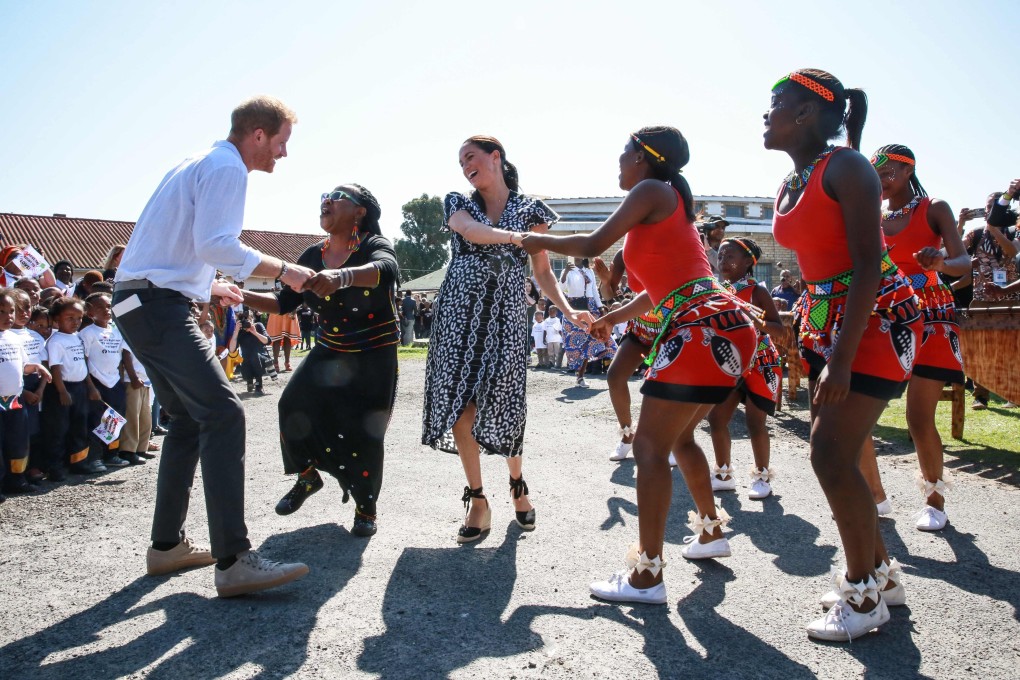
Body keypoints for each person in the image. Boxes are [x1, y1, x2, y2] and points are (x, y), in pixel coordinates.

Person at [521, 125, 758, 605]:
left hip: (698, 329)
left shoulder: (652, 190)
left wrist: (531, 240)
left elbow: (590, 245)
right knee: (680, 439)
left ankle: (647, 576)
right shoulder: (670, 205)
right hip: (719, 324)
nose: (619, 161)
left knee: (650, 450)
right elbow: (659, 290)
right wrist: (613, 316)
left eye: (624, 151)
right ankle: (711, 533)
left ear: (644, 158)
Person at [112, 95, 311, 597]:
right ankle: (234, 559)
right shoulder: (229, 168)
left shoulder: (197, 160)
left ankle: (167, 547)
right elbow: (216, 244)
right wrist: (285, 269)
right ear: (259, 135)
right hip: (158, 306)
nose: (283, 154)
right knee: (224, 413)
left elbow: (179, 244)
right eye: (282, 142)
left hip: (140, 301)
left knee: (185, 420)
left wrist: (208, 287)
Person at [765, 69, 922, 641]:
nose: (767, 113)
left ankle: (861, 600)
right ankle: (881, 577)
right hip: (829, 323)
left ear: (807, 113)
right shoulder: (793, 181)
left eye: (777, 103)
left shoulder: (847, 167)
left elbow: (866, 266)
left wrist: (844, 357)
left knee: (829, 456)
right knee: (842, 455)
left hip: (873, 319)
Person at [422, 135, 589, 543]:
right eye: (461, 162)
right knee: (461, 402)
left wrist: (568, 312)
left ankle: (516, 481)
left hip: (506, 317)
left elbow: (544, 273)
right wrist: (516, 238)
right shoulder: (457, 202)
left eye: (471, 157)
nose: (465, 167)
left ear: (495, 157)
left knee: (505, 400)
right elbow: (470, 231)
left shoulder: (531, 209)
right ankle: (478, 499)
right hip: (458, 312)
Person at [243, 183, 399, 538]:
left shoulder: (374, 245)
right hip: (331, 348)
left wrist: (342, 277)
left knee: (364, 431)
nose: (326, 201)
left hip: (375, 352)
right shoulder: (312, 255)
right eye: (323, 198)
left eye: (337, 197)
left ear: (360, 211)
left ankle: (365, 510)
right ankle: (307, 476)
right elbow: (284, 303)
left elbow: (384, 270)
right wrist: (241, 295)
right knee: (292, 404)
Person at [855, 145, 970, 531]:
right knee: (858, 415)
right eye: (876, 176)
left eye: (888, 173)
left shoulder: (935, 208)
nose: (882, 182)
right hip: (885, 315)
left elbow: (963, 265)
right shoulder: (873, 218)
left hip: (932, 314)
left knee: (919, 418)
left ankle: (934, 502)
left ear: (908, 170)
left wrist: (940, 262)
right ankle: (875, 497)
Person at [706, 238, 786, 499]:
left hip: (760, 362)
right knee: (716, 419)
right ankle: (723, 473)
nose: (723, 260)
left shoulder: (757, 291)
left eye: (730, 255)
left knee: (755, 423)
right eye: (720, 256)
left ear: (748, 262)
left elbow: (780, 331)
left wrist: (758, 323)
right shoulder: (715, 290)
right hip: (729, 364)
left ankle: (762, 477)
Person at [42, 297, 102, 479]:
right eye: (70, 318)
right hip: (63, 389)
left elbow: (83, 364)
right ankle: (56, 467)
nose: (75, 322)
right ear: (57, 320)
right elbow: (55, 368)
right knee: (59, 429)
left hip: (80, 388)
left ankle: (79, 461)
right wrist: (61, 391)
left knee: (79, 426)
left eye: (78, 318)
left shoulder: (77, 338)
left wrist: (90, 387)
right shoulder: (56, 341)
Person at [0, 289, 52, 497]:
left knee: (18, 442)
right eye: (2, 311)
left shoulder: (13, 338)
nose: (8, 316)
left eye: (11, 311)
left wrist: (37, 368)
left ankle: (17, 479)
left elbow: (22, 366)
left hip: (14, 400)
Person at [79, 292, 140, 467]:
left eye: (108, 306)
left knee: (114, 420)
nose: (106, 310)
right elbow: (84, 360)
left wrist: (120, 381)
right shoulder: (87, 333)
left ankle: (111, 453)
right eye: (100, 307)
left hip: (114, 383)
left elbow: (122, 358)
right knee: (97, 421)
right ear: (90, 313)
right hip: (97, 384)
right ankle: (94, 457)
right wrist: (90, 387)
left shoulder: (115, 331)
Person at [232, 309, 271, 394]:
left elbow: (268, 341)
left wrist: (255, 332)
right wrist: (236, 331)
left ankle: (258, 384)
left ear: (253, 319)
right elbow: (232, 349)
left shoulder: (258, 326)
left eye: (249, 320)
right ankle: (249, 381)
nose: (247, 323)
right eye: (245, 321)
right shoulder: (239, 331)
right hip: (246, 358)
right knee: (246, 358)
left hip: (261, 357)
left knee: (254, 356)